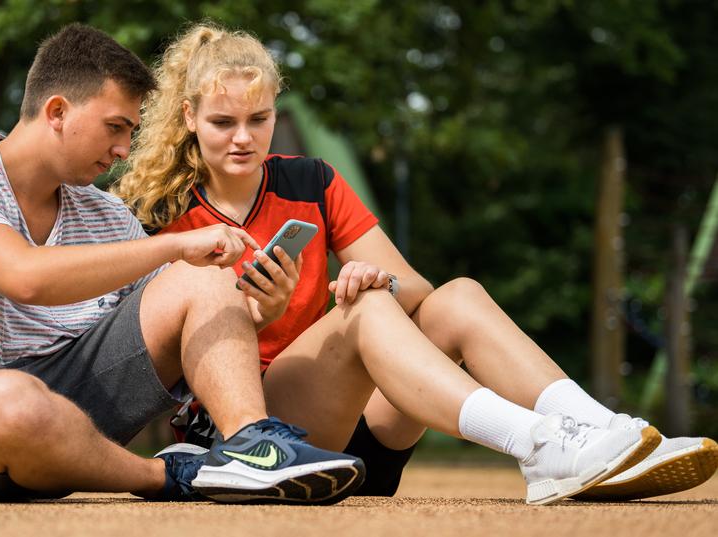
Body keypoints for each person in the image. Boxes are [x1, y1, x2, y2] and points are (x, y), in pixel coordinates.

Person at [113, 22, 716, 504]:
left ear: (276, 111)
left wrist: (373, 280)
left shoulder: (310, 180)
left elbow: (417, 292)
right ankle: (539, 446)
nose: (242, 138)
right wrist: (255, 315)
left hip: (358, 431)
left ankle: (608, 432)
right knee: (361, 314)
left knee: (456, 295)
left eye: (258, 119)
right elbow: (153, 357)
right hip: (254, 445)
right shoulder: (156, 212)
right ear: (189, 117)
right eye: (223, 122)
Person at [0, 23, 368, 505]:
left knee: (202, 279)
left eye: (130, 131)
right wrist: (173, 246)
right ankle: (172, 474)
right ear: (58, 111)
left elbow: (187, 318)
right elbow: (25, 277)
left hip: (73, 414)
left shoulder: (104, 212)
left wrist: (265, 311)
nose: (124, 149)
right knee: (9, 400)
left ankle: (251, 448)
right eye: (115, 128)